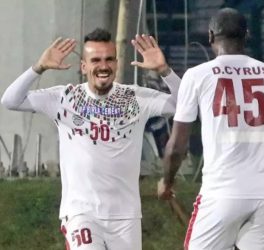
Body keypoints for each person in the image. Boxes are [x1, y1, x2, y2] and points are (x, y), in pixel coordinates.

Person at [1, 28, 181, 250]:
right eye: (95, 60)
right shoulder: (64, 97)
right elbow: (10, 100)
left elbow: (184, 105)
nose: (103, 66)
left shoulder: (135, 97)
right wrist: (38, 68)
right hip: (80, 213)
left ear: (116, 63)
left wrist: (165, 71)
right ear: (84, 66)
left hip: (126, 217)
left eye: (109, 59)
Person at [157, 8, 264, 250]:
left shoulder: (197, 76)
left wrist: (167, 181)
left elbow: (177, 146)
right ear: (246, 35)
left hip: (222, 191)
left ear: (210, 36)